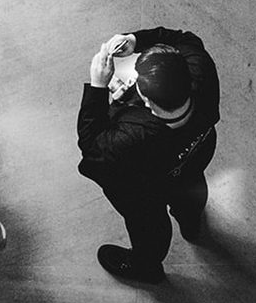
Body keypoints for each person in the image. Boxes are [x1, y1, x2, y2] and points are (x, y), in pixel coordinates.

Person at [76, 27, 220, 283]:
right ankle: (191, 225)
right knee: (192, 193)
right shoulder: (202, 70)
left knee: (150, 230)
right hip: (194, 160)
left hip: (146, 190)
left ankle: (146, 267)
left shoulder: (131, 138)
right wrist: (136, 40)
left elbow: (93, 149)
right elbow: (184, 39)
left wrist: (98, 87)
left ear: (147, 100)